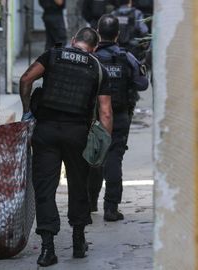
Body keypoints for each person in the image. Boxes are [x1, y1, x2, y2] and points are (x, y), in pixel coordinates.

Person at [19, 27, 113, 267]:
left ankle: (48, 249)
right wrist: (102, 145)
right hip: (77, 134)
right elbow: (105, 113)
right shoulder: (98, 68)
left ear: (74, 41)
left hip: (46, 131)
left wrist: (27, 111)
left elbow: (26, 79)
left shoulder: (53, 55)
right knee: (78, 185)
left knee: (45, 188)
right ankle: (78, 241)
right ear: (95, 48)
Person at [87, 14, 149, 221]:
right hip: (120, 115)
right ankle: (111, 208)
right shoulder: (126, 57)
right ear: (118, 34)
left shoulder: (91, 57)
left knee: (93, 158)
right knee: (114, 158)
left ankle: (89, 203)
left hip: (93, 117)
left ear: (97, 31)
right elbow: (142, 84)